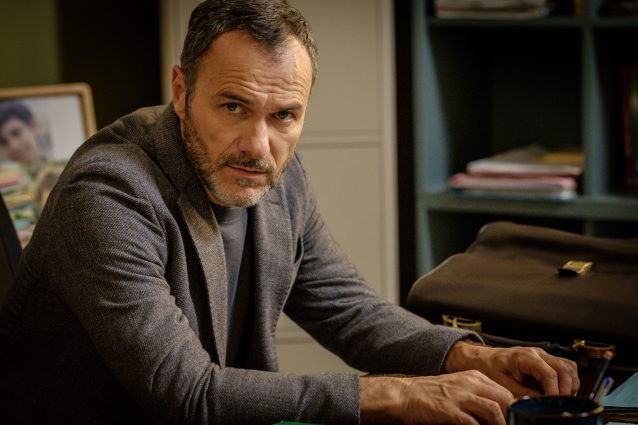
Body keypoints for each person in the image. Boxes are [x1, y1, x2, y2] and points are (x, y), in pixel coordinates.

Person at [0, 1, 579, 424]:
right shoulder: (107, 195)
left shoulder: (276, 175)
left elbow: (347, 310)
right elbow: (188, 394)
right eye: (233, 106)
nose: (259, 145)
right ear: (181, 91)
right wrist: (400, 393)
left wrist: (469, 355)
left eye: (284, 115)